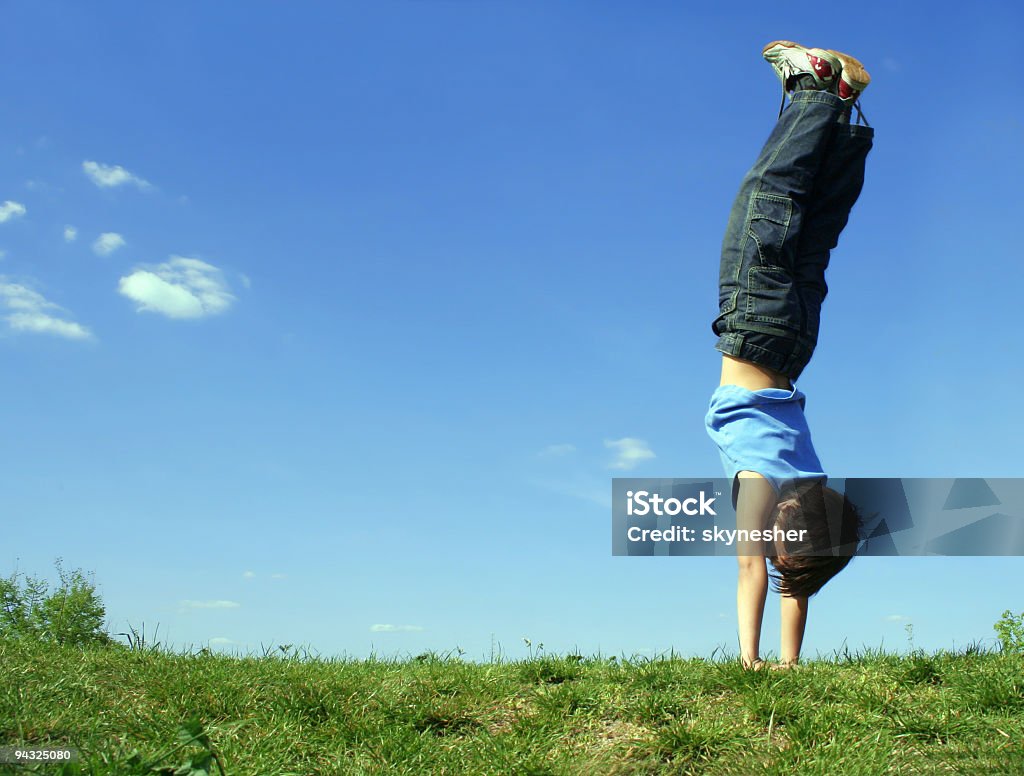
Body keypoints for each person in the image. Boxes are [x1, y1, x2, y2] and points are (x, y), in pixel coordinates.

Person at [704, 41, 871, 671]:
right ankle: (813, 88)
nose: (776, 558)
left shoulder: (813, 488)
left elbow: (796, 581)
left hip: (798, 344)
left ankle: (844, 112)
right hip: (754, 332)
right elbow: (754, 568)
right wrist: (752, 658)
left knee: (813, 234)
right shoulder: (761, 488)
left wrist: (790, 662)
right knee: (764, 204)